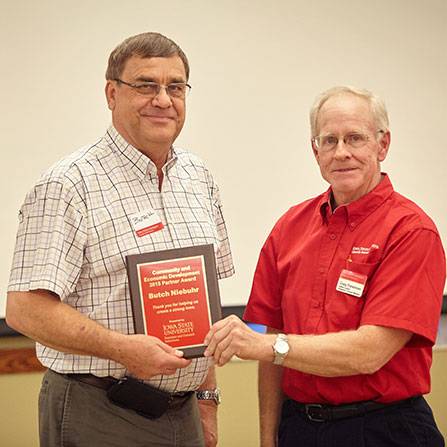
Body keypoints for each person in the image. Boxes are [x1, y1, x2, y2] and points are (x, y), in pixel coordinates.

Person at [6, 32, 233, 447]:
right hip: (99, 409)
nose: (163, 100)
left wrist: (206, 397)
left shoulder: (198, 178)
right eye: (146, 85)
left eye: (175, 87)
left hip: (184, 413)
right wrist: (122, 349)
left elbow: (205, 304)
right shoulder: (68, 184)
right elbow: (24, 310)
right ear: (112, 93)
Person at [204, 86, 446, 447]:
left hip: (384, 430)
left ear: (383, 145)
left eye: (355, 138)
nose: (342, 152)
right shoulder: (289, 228)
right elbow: (272, 337)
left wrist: (270, 346)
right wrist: (268, 438)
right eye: (329, 140)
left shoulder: (411, 232)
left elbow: (370, 352)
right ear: (315, 151)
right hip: (300, 428)